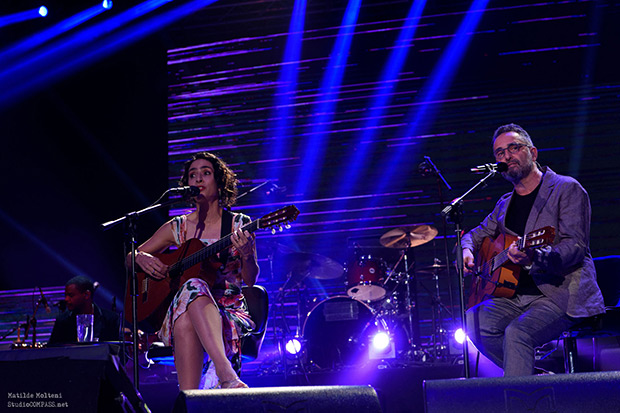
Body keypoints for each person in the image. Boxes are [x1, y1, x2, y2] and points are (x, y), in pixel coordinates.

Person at [462, 123, 605, 376]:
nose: (506, 156)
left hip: (558, 294)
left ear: (533, 153)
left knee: (517, 333)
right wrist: (467, 250)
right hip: (515, 297)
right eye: (499, 153)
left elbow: (574, 247)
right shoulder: (505, 204)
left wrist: (533, 258)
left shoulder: (566, 189)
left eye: (514, 148)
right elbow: (475, 234)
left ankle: (523, 396)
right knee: (472, 322)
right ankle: (533, 380)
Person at [127, 151, 259, 390]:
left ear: (220, 184)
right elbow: (130, 257)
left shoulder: (239, 225)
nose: (198, 180)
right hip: (185, 306)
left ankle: (211, 380)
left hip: (226, 312)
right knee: (191, 293)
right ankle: (218, 382)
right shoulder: (178, 226)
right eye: (192, 175)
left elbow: (250, 280)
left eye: (206, 173)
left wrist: (248, 254)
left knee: (192, 290)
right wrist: (139, 258)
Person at [48, 276, 120, 344]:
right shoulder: (62, 321)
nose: (66, 299)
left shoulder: (110, 319)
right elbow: (52, 351)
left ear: (86, 295)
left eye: (71, 295)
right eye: (65, 295)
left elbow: (118, 351)